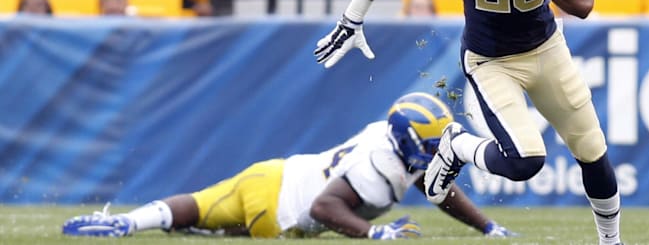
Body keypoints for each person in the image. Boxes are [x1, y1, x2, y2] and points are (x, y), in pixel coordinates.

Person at [313, 0, 624, 244]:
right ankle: (458, 145)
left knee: (593, 153)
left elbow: (583, 3)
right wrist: (352, 18)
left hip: (546, 48)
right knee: (526, 161)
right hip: (491, 59)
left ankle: (611, 241)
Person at [61, 92, 515, 239]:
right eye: (432, 144)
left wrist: (487, 227)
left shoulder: (391, 140)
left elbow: (438, 189)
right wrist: (373, 232)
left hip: (274, 173)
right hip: (281, 212)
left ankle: (127, 222)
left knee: (196, 208)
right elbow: (324, 209)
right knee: (213, 227)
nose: (438, 153)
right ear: (410, 140)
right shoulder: (380, 164)